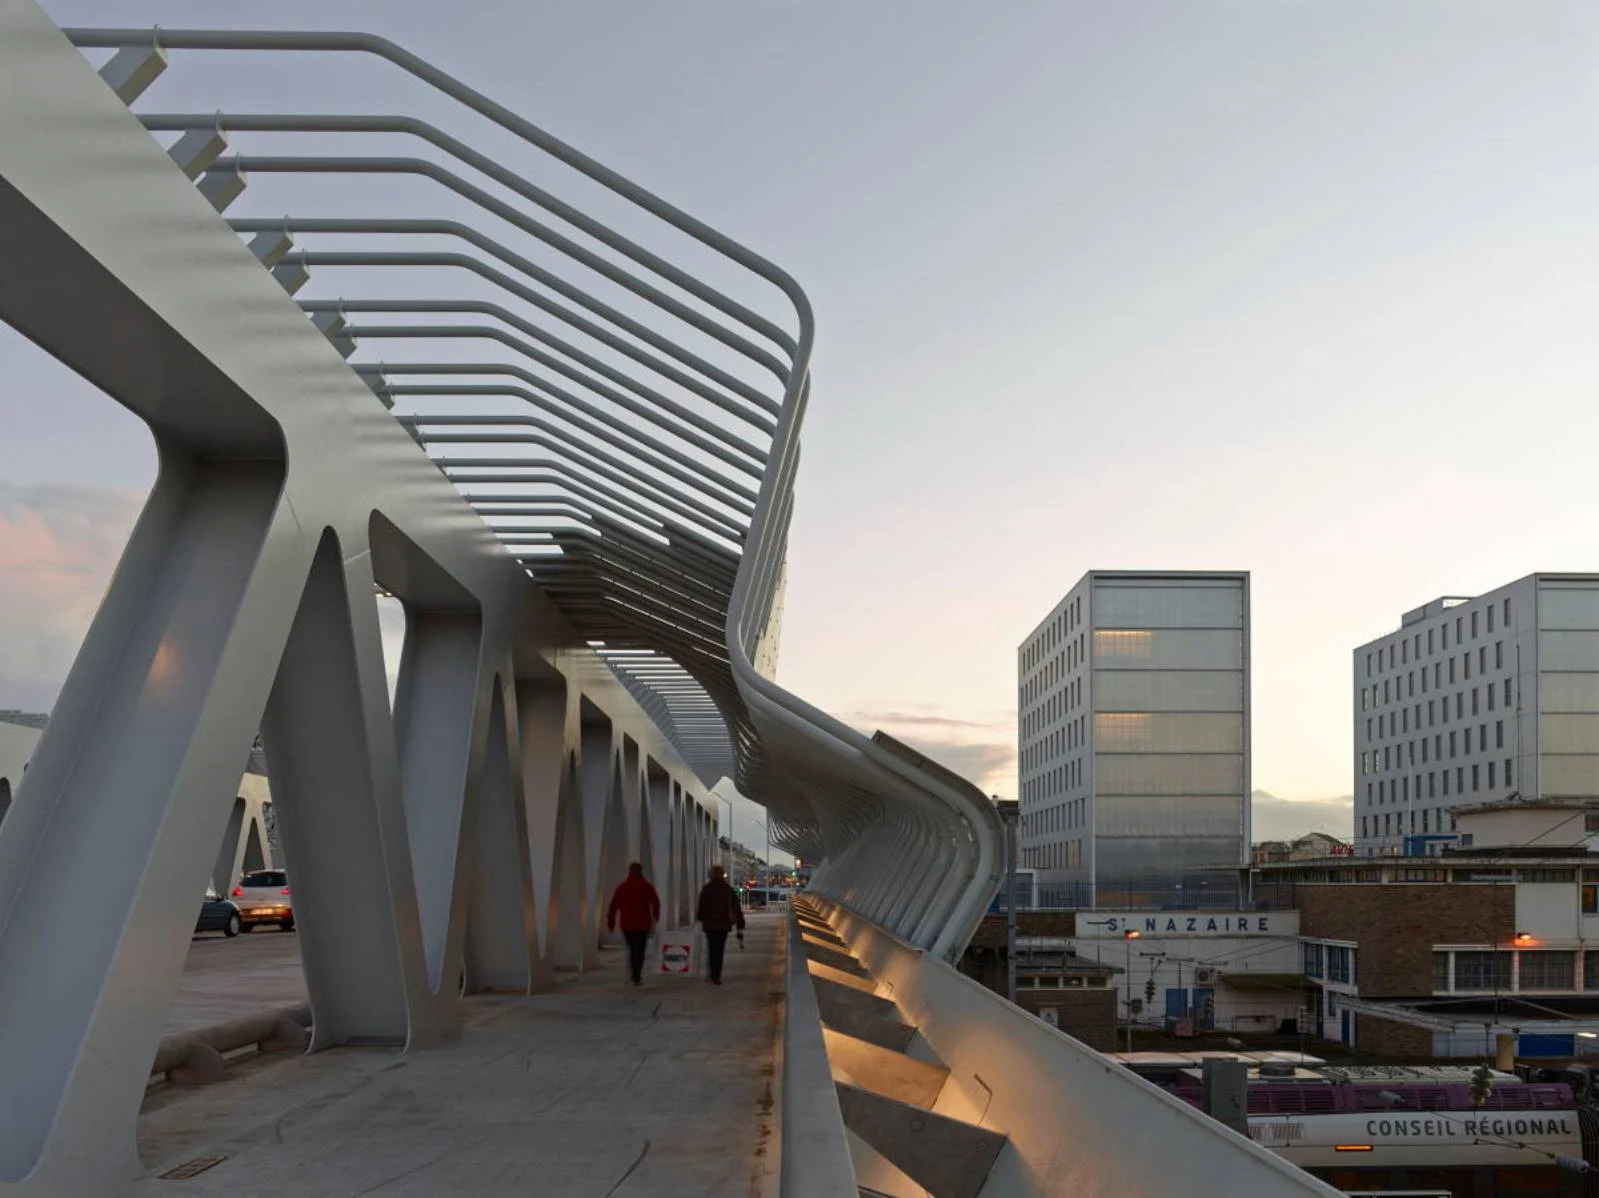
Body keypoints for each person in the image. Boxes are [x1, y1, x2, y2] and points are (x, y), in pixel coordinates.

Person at [606, 862, 660, 985]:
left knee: (632, 949)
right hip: (642, 924)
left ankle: (634, 974)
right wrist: (656, 916)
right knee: (639, 950)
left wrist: (611, 923)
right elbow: (655, 901)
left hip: (627, 925)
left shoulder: (622, 887)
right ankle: (636, 975)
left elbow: (613, 907)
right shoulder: (646, 886)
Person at [695, 865, 746, 985]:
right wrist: (740, 924)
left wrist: (700, 917)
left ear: (711, 875)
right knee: (719, 949)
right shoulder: (727, 889)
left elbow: (702, 908)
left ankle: (712, 973)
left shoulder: (706, 889)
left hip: (710, 925)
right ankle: (716, 975)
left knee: (712, 948)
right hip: (723, 924)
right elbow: (736, 907)